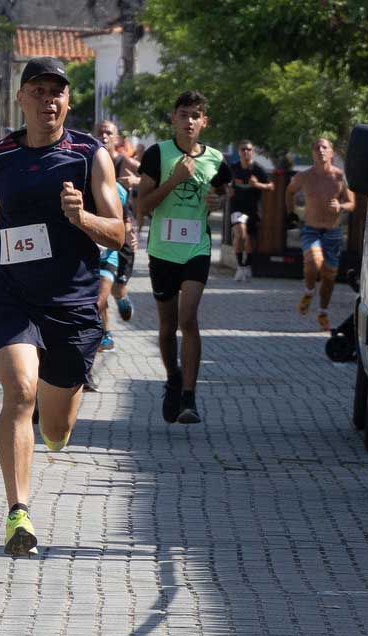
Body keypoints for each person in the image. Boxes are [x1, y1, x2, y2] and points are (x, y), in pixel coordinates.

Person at [0, 57, 126, 557]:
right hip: (14, 295)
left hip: (73, 302)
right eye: (38, 91)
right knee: (19, 391)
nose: (48, 100)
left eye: (57, 92)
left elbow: (120, 232)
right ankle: (19, 513)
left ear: (68, 100)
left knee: (56, 428)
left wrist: (82, 217)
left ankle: (52, 424)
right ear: (21, 98)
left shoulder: (89, 155)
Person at [134, 90, 231, 425]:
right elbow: (141, 206)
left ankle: (189, 396)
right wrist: (174, 180)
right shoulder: (157, 155)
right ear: (173, 118)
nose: (189, 121)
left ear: (204, 121)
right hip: (162, 250)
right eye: (183, 114)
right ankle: (173, 377)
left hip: (196, 248)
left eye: (195, 115)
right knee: (167, 326)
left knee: (188, 319)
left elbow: (221, 194)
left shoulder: (217, 159)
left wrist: (218, 201)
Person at [285, 137, 356, 331]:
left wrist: (340, 205)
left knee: (328, 277)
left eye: (324, 147)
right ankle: (308, 291)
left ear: (331, 153)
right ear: (312, 153)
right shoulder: (304, 176)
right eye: (317, 148)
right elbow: (289, 191)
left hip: (333, 232)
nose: (321, 150)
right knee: (313, 262)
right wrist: (291, 213)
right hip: (311, 228)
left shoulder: (340, 177)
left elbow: (352, 203)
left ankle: (323, 312)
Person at [95, 120, 140, 330]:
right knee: (101, 291)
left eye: (109, 132)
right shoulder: (91, 159)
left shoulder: (123, 161)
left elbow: (150, 177)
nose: (104, 135)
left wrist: (136, 181)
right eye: (101, 132)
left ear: (116, 138)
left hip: (123, 228)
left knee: (118, 288)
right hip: (99, 234)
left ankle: (122, 299)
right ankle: (105, 333)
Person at [227, 140, 273, 281]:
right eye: (242, 149)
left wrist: (257, 184)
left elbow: (271, 186)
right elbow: (223, 183)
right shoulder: (233, 168)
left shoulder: (258, 169)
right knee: (240, 231)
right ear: (239, 152)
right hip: (237, 208)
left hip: (253, 209)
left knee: (249, 241)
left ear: (252, 151)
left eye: (248, 149)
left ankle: (247, 266)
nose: (245, 152)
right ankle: (240, 267)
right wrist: (227, 190)